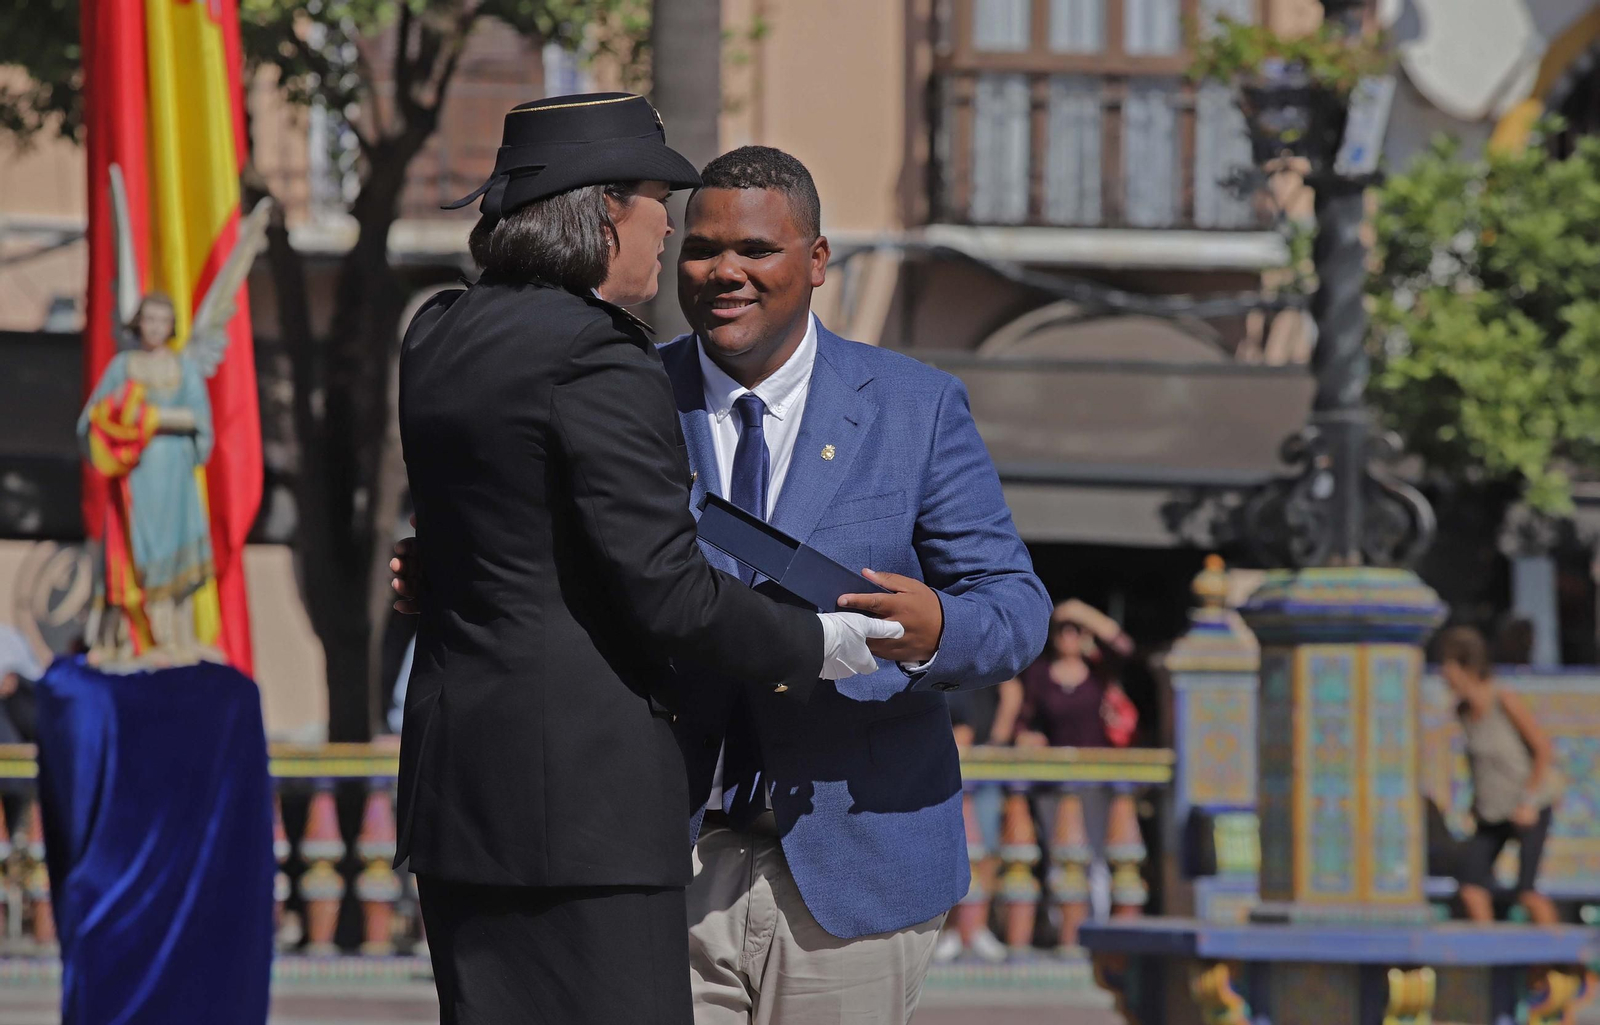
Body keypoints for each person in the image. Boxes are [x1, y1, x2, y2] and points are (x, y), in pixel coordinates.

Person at [395, 145, 1050, 1024]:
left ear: (816, 261)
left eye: (756, 250)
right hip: (658, 860)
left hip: (852, 875)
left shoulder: (916, 406)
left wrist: (938, 630)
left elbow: (1015, 605)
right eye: (701, 248)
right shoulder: (611, 378)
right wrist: (442, 564)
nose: (724, 271)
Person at [76, 292, 219, 666]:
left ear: (172, 326)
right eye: (149, 319)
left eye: (162, 321)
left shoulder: (183, 368)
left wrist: (147, 417)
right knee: (133, 551)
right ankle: (128, 637)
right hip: (134, 478)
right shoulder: (123, 367)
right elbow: (92, 420)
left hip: (174, 477)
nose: (155, 328)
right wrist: (126, 428)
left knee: (174, 553)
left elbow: (201, 420)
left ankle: (175, 636)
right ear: (138, 323)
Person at [1016, 599, 1137, 944]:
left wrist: (1080, 612)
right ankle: (1066, 933)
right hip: (1053, 781)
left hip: (1095, 779)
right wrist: (1029, 738)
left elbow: (1124, 647)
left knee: (1095, 855)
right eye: (1062, 630)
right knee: (1060, 856)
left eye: (1075, 631)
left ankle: (1098, 929)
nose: (1068, 636)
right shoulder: (1039, 675)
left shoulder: (1098, 671)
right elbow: (1026, 720)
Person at [1437, 625, 1561, 925]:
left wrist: (1528, 801)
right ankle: (1489, 949)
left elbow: (1542, 749)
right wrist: (1474, 804)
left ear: (1465, 667)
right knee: (1471, 887)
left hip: (1528, 806)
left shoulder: (1503, 700)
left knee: (1527, 893)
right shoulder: (1463, 711)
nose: (1443, 674)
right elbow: (1478, 765)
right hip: (1492, 812)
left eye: (1447, 665)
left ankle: (1566, 953)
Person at [934, 679, 1023, 964]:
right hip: (942, 764)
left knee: (987, 850)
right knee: (947, 850)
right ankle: (951, 930)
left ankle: (977, 927)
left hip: (984, 766)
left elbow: (1012, 691)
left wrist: (997, 740)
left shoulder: (987, 658)